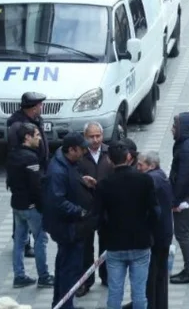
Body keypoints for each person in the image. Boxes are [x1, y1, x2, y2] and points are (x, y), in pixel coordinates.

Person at [94, 142, 157, 309]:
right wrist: (148, 230)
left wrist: (105, 232)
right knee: (139, 293)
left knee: (115, 292)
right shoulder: (144, 180)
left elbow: (97, 217)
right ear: (129, 157)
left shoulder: (104, 185)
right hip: (140, 242)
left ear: (109, 160)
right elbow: (155, 211)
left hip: (115, 244)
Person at [42, 134, 93, 309]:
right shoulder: (58, 171)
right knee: (69, 269)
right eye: (82, 149)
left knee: (65, 267)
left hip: (69, 227)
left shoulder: (67, 163)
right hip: (67, 228)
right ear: (71, 150)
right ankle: (65, 305)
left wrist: (81, 181)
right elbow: (57, 201)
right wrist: (80, 212)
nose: (85, 151)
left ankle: (61, 303)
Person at [5, 122, 52, 289]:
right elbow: (36, 186)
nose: (40, 139)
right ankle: (44, 276)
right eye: (37, 135)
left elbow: (10, 180)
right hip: (31, 207)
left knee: (19, 241)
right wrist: (42, 206)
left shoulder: (12, 155)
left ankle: (19, 276)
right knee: (41, 239)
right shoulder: (30, 158)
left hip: (16, 204)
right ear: (27, 137)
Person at [78, 122, 114, 291]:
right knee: (86, 247)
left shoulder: (110, 153)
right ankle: (86, 281)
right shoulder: (80, 155)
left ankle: (106, 277)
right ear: (85, 137)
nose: (95, 140)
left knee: (106, 244)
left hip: (106, 207)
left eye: (98, 136)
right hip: (87, 207)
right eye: (91, 136)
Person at [135, 152, 172, 309]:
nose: (137, 168)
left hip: (155, 236)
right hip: (165, 233)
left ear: (151, 166)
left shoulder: (150, 180)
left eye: (140, 165)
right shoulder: (162, 176)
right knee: (161, 276)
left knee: (151, 276)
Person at [168, 113, 189, 285]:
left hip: (186, 196)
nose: (172, 130)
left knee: (183, 232)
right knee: (185, 231)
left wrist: (174, 201)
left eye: (175, 127)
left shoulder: (187, 148)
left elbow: (183, 177)